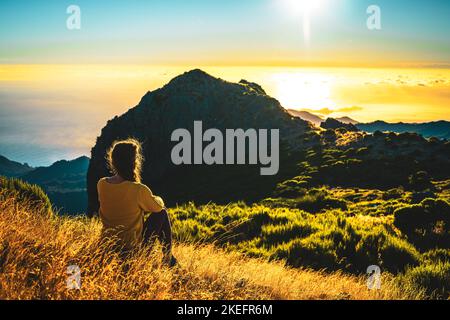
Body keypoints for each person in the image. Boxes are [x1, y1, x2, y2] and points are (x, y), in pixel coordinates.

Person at [97, 138, 177, 267]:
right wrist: (154, 198)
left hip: (108, 246)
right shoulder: (138, 190)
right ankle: (168, 257)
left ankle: (169, 258)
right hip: (132, 250)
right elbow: (158, 207)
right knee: (161, 213)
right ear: (134, 163)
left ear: (113, 161)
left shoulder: (102, 184)